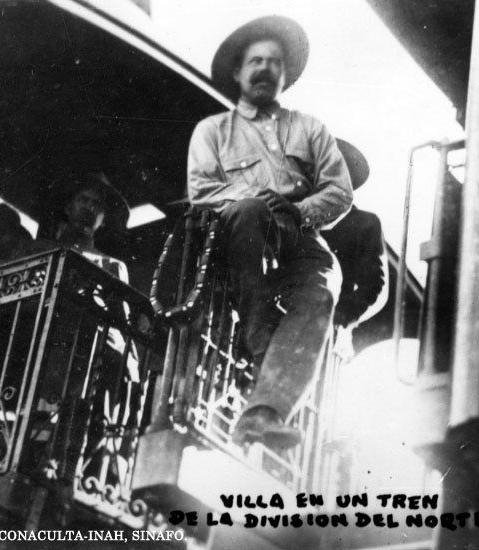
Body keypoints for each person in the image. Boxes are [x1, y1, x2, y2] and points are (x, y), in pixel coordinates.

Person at [187, 16, 353, 448]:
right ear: (238, 72)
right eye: (255, 61)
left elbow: (340, 191)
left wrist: (299, 210)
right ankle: (261, 346)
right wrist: (257, 197)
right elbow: (202, 190)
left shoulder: (310, 129)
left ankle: (265, 412)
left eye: (274, 62)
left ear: (285, 74)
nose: (265, 68)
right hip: (238, 230)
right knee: (248, 211)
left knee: (324, 283)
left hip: (296, 230)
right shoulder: (212, 131)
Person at [322, 139, 388, 331]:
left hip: (330, 328)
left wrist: (338, 318)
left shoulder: (365, 224)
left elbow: (374, 285)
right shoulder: (296, 216)